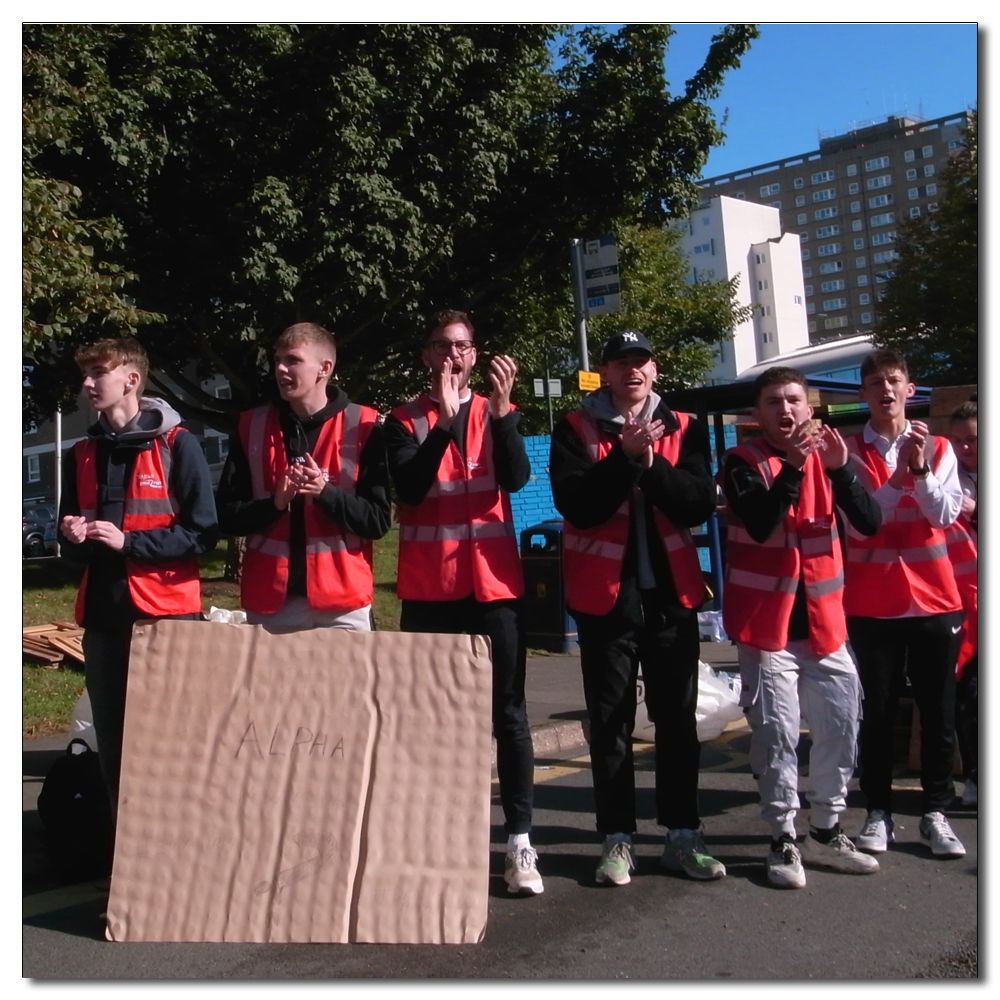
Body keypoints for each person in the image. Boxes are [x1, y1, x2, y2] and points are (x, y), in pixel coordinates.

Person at [550, 330, 722, 886]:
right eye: (622, 363)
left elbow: (697, 504)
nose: (633, 371)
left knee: (677, 722)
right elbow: (577, 507)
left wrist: (649, 464)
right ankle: (617, 837)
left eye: (641, 362)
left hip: (672, 599)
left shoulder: (686, 428)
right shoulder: (574, 428)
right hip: (606, 601)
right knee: (611, 725)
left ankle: (682, 833)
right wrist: (623, 460)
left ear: (655, 371)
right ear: (604, 372)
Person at [384, 309, 541, 896]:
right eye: (443, 346)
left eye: (464, 346)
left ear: (476, 356)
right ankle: (442, 841)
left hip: (494, 590)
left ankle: (520, 842)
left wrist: (499, 413)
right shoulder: (403, 421)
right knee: (434, 722)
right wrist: (445, 425)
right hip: (431, 594)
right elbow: (410, 488)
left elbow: (518, 478)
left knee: (510, 717)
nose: (454, 355)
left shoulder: (496, 413)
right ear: (427, 355)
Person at [722, 367, 881, 889]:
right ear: (757, 414)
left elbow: (869, 521)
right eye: (773, 403)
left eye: (793, 401)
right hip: (768, 631)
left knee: (840, 726)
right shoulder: (742, 462)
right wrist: (793, 468)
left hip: (825, 627)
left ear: (809, 409)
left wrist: (840, 473)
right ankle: (782, 836)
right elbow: (761, 519)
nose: (785, 410)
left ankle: (827, 828)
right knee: (777, 738)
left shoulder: (831, 461)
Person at [58, 337, 218, 818]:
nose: (87, 384)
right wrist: (72, 534)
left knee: (176, 743)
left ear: (130, 379)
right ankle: (126, 866)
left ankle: (183, 849)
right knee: (116, 748)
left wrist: (130, 544)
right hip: (104, 620)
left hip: (167, 617)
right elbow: (71, 551)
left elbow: (203, 533)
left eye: (97, 373)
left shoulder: (177, 444)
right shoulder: (81, 452)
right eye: (84, 375)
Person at [845, 350, 966, 859]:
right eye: (875, 383)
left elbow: (944, 513)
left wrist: (918, 472)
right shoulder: (848, 452)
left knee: (938, 710)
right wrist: (899, 482)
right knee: (877, 708)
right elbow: (860, 520)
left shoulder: (937, 446)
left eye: (893, 381)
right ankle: (878, 810)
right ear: (864, 395)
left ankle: (935, 810)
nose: (885, 391)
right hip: (874, 602)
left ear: (909, 389)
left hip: (934, 597)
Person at [217, 322, 390, 633]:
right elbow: (226, 517)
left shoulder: (364, 426)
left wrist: (326, 493)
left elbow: (377, 522)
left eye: (292, 360)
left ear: (325, 368)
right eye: (277, 360)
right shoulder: (251, 426)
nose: (280, 369)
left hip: (343, 606)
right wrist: (275, 504)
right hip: (273, 603)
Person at [947, 400, 977, 808]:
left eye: (971, 439)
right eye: (956, 441)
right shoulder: (950, 473)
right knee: (969, 692)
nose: (964, 447)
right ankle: (974, 775)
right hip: (964, 597)